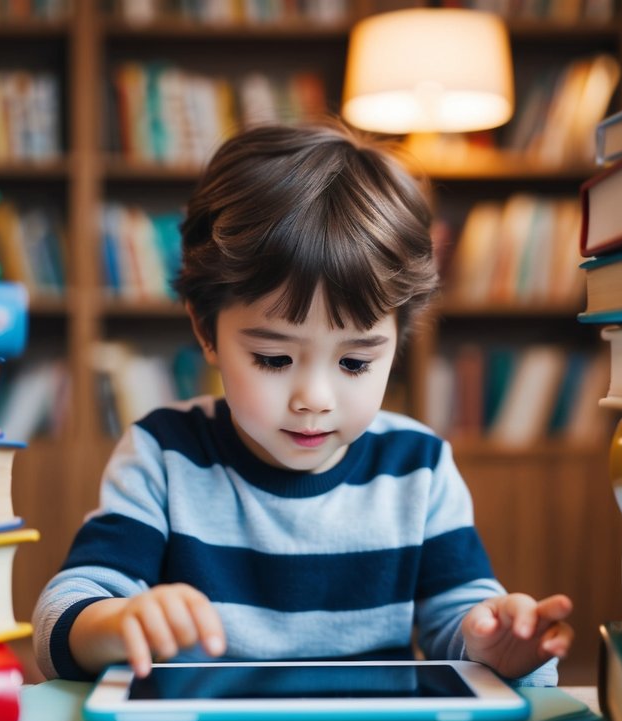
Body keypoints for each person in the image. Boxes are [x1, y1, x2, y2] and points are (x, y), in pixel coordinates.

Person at [33, 120, 573, 685]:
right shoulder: (164, 456)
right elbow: (61, 619)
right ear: (206, 330)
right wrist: (114, 623)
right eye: (274, 359)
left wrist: (500, 647)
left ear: (398, 340)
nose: (314, 400)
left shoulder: (418, 467)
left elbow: (461, 624)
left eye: (355, 363)